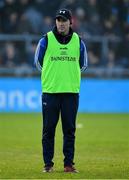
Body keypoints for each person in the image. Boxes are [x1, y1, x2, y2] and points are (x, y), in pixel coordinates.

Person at [34, 8, 87, 173]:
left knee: (69, 131)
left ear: (70, 22)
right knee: (48, 130)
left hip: (71, 92)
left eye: (64, 20)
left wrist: (68, 77)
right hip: (50, 92)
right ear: (55, 22)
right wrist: (53, 77)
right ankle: (48, 165)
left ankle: (68, 165)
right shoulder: (46, 40)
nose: (61, 23)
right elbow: (37, 62)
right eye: (58, 20)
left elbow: (83, 64)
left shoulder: (78, 41)